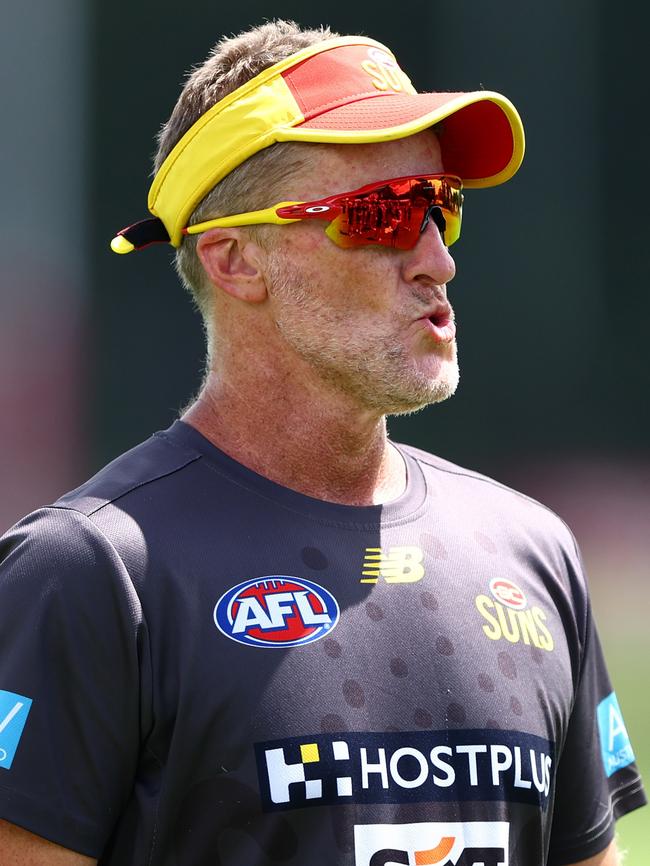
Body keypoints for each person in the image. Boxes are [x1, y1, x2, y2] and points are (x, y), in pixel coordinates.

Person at [0, 19, 645, 866]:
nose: (435, 260)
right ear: (235, 261)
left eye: (440, 208)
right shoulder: (92, 575)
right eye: (382, 215)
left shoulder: (534, 553)